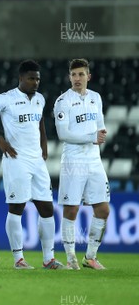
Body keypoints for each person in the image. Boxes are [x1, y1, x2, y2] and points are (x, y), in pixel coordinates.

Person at [0, 60, 67, 270]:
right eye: (31, 78)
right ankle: (19, 259)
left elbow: (40, 121)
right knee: (17, 208)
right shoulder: (7, 99)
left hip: (37, 161)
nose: (35, 82)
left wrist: (43, 143)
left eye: (38, 79)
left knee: (47, 208)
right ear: (21, 78)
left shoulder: (40, 99)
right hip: (16, 160)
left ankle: (48, 259)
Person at [54, 59, 109, 270]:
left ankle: (90, 257)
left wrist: (99, 136)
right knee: (71, 210)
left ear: (89, 76)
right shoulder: (63, 101)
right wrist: (91, 137)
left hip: (94, 161)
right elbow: (63, 134)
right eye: (74, 74)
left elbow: (100, 128)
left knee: (103, 209)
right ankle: (71, 259)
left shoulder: (96, 98)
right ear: (69, 77)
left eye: (81, 74)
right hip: (73, 160)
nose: (77, 79)